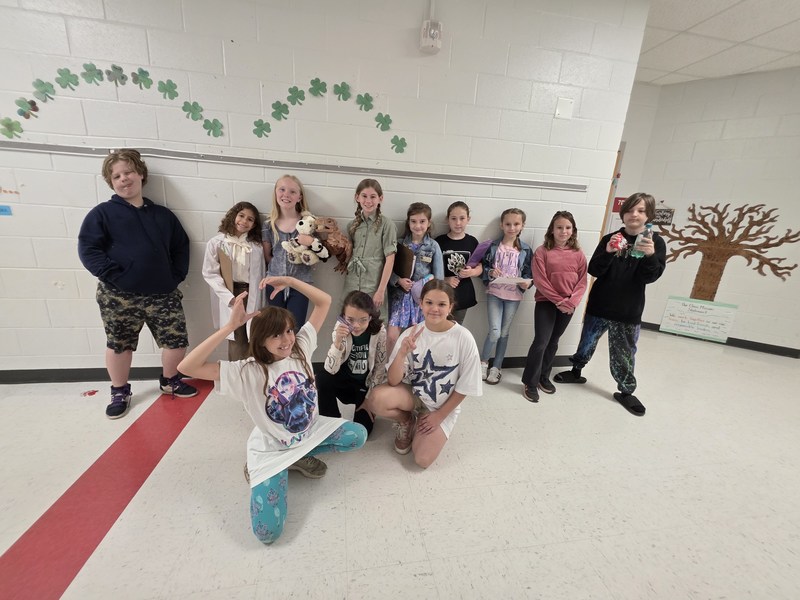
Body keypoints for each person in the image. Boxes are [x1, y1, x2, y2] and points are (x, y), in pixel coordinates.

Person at [177, 277, 367, 544]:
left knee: (357, 435)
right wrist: (231, 327)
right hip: (272, 447)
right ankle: (276, 463)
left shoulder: (300, 347)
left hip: (309, 432)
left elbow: (324, 301)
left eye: (289, 330)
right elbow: (187, 367)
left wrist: (289, 280)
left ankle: (299, 457)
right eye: (276, 334)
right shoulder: (247, 371)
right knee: (267, 534)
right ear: (261, 339)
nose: (286, 339)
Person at [78, 149, 197, 420]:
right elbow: (88, 249)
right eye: (116, 176)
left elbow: (181, 246)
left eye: (128, 172)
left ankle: (170, 380)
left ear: (141, 174)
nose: (124, 179)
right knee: (119, 344)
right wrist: (113, 274)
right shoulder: (102, 214)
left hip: (163, 292)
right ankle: (119, 390)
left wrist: (174, 276)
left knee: (176, 341)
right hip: (118, 295)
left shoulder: (164, 216)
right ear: (112, 183)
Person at [553, 192, 667, 416]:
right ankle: (576, 371)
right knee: (586, 343)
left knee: (624, 353)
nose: (634, 214)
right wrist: (607, 252)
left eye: (641, 210)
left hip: (628, 311)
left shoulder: (654, 242)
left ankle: (626, 391)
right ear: (623, 214)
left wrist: (651, 256)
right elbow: (593, 269)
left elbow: (650, 277)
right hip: (599, 305)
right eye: (630, 210)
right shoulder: (610, 238)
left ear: (649, 215)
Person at [366, 280, 482, 468]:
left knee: (422, 460)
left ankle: (425, 421)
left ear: (451, 306)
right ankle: (406, 421)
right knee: (376, 399)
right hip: (415, 396)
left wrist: (440, 416)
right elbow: (394, 381)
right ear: (421, 303)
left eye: (442, 304)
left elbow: (466, 386)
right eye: (429, 302)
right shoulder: (411, 334)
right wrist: (402, 353)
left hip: (440, 406)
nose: (434, 309)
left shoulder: (463, 337)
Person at [520, 211, 588, 403]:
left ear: (573, 231)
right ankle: (530, 382)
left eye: (567, 227)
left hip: (568, 306)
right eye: (559, 227)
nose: (563, 231)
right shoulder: (542, 252)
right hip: (547, 303)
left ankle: (544, 376)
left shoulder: (579, 254)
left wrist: (571, 302)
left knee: (553, 342)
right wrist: (559, 301)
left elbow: (582, 281)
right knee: (541, 341)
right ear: (552, 229)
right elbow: (541, 281)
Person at [316, 290, 388, 436]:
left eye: (363, 320)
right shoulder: (340, 329)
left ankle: (364, 409)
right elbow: (330, 370)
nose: (356, 325)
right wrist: (337, 343)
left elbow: (380, 368)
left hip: (364, 387)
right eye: (350, 319)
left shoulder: (379, 332)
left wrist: (369, 400)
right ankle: (331, 422)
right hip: (344, 382)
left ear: (370, 317)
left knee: (363, 431)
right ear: (343, 317)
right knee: (322, 377)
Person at [202, 202, 265, 360]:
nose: (244, 221)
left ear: (254, 224)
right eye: (241, 216)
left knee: (254, 334)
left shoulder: (256, 247)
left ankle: (253, 370)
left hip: (251, 292)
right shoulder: (217, 243)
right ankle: (236, 372)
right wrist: (229, 297)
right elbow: (210, 273)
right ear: (233, 216)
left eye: (250, 219)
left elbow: (261, 273)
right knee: (236, 334)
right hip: (231, 293)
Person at [479, 208, 533, 385]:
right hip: (495, 294)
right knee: (495, 331)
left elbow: (529, 274)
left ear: (522, 226)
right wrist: (489, 271)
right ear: (501, 225)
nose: (512, 227)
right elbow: (483, 268)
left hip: (514, 296)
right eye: (508, 224)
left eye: (516, 224)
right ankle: (483, 363)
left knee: (504, 333)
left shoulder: (525, 249)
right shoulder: (493, 246)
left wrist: (528, 283)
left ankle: (497, 367)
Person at [262, 174, 320, 329]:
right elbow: (268, 256)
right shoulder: (269, 225)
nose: (286, 194)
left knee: (295, 328)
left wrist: (311, 243)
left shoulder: (308, 223)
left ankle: (292, 354)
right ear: (275, 192)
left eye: (292, 192)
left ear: (299, 197)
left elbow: (317, 251)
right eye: (282, 189)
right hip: (274, 282)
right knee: (275, 328)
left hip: (301, 284)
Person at [387, 202, 444, 353]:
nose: (417, 225)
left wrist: (428, 287)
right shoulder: (399, 244)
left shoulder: (433, 246)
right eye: (413, 221)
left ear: (429, 223)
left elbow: (439, 277)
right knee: (392, 336)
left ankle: (412, 370)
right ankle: (388, 368)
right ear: (408, 222)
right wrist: (398, 281)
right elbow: (387, 269)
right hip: (399, 297)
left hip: (420, 299)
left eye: (422, 221)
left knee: (416, 337)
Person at [343, 178, 397, 320]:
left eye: (373, 197)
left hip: (373, 286)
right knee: (349, 322)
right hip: (352, 284)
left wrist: (380, 290)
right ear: (357, 197)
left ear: (380, 198)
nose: (368, 201)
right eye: (364, 196)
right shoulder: (352, 225)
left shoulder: (387, 225)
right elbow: (348, 255)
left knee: (374, 325)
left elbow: (390, 260)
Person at [435, 201, 483, 325]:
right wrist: (445, 279)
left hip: (463, 295)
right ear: (447, 220)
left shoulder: (472, 241)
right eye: (453, 218)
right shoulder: (439, 242)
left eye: (462, 218)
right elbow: (430, 269)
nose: (458, 223)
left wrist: (472, 272)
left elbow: (480, 267)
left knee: (456, 329)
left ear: (468, 219)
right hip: (442, 293)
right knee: (439, 326)